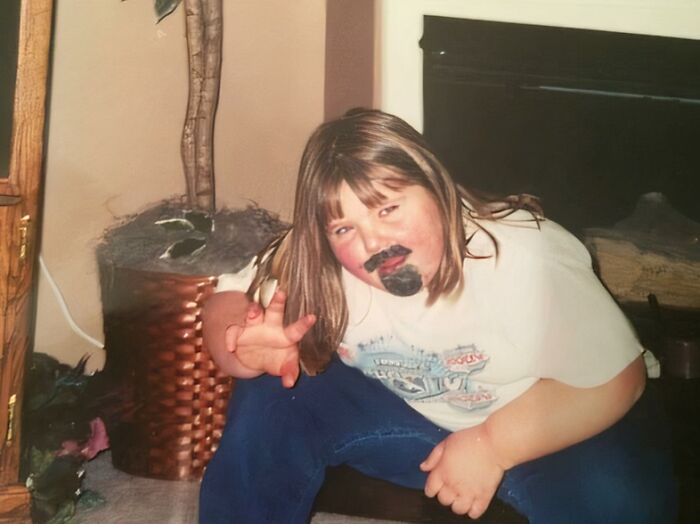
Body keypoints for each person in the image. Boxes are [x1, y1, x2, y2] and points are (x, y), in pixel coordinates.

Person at [198, 108, 677, 523]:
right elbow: (228, 297)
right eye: (345, 227)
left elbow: (618, 380)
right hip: (419, 419)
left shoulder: (526, 257)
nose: (372, 242)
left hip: (553, 422)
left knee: (621, 501)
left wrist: (492, 445)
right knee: (276, 385)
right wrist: (241, 348)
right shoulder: (319, 260)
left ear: (438, 188)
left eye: (388, 208)